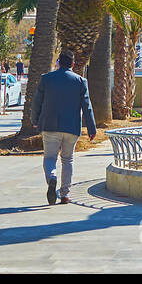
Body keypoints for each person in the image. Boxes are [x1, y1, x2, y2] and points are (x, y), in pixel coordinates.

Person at [29, 51, 97, 206]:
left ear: (58, 62)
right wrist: (92, 129)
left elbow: (36, 102)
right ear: (73, 64)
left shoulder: (46, 79)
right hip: (72, 127)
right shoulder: (80, 81)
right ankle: (65, 194)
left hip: (50, 125)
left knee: (49, 158)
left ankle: (52, 177)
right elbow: (87, 106)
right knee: (68, 160)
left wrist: (35, 120)